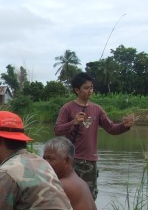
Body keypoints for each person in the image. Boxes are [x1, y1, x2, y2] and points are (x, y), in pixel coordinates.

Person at [54, 72, 134, 200]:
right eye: (86, 88)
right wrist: (73, 123)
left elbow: (111, 128)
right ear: (76, 90)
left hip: (90, 161)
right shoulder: (68, 108)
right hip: (71, 160)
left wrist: (125, 126)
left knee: (89, 198)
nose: (90, 91)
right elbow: (57, 129)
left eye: (91, 87)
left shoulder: (97, 109)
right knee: (67, 197)